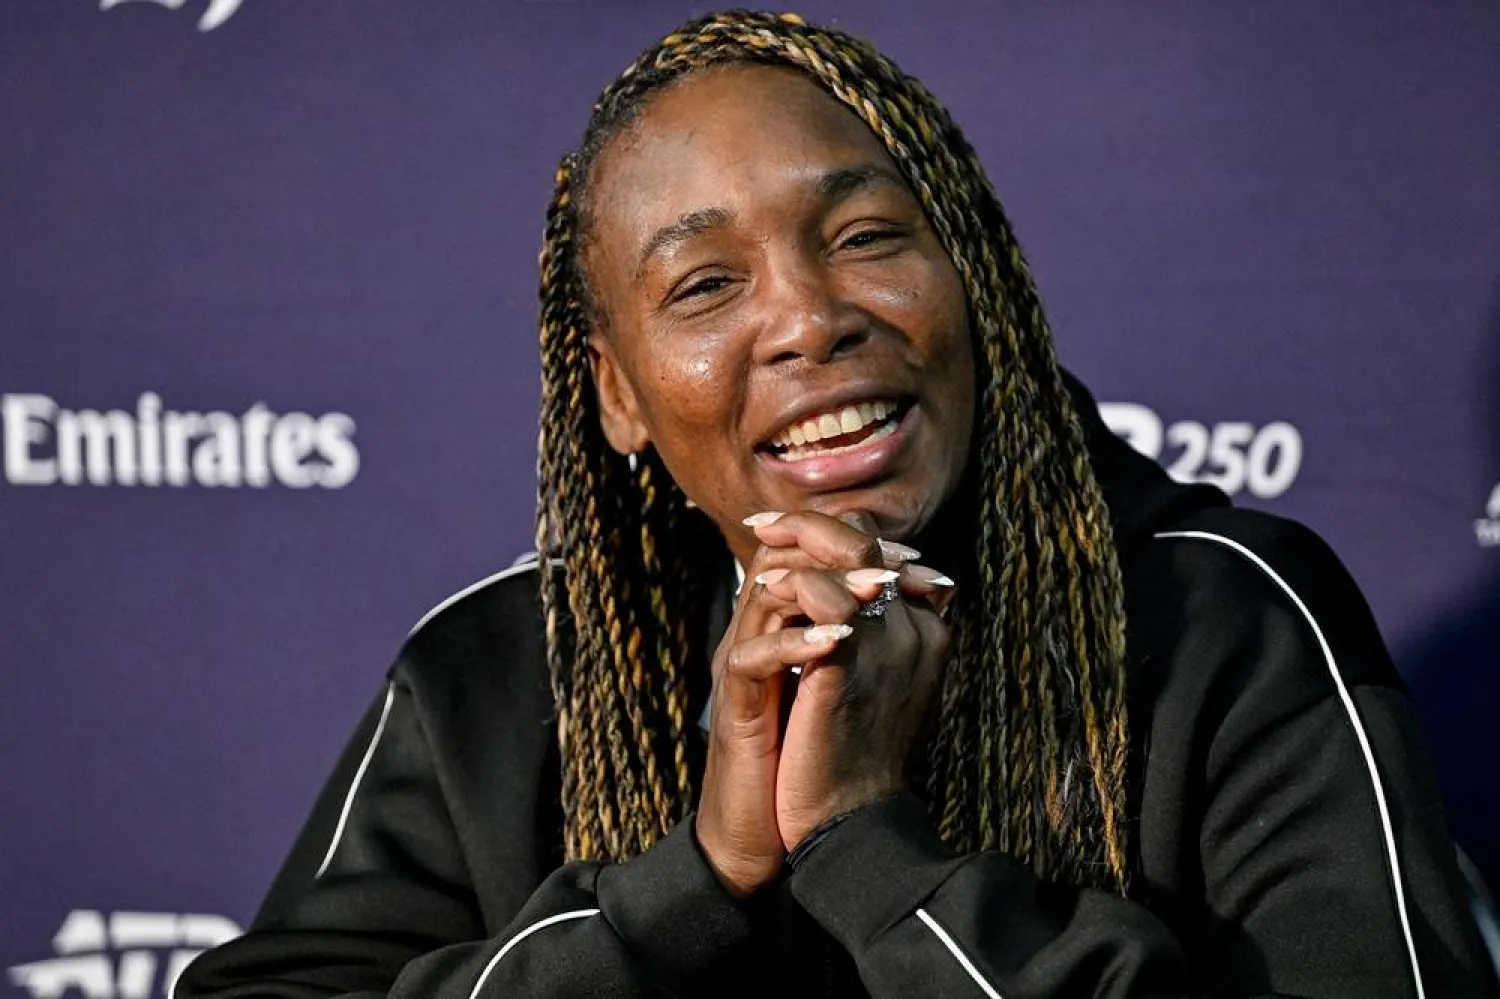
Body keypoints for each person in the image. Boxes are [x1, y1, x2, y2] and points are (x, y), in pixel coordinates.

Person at [176, 10, 1495, 998]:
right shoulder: (501, 667)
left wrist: (876, 854)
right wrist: (689, 880)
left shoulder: (1225, 617)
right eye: (703, 286)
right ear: (618, 396)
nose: (810, 318)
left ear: (972, 279)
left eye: (867, 237)